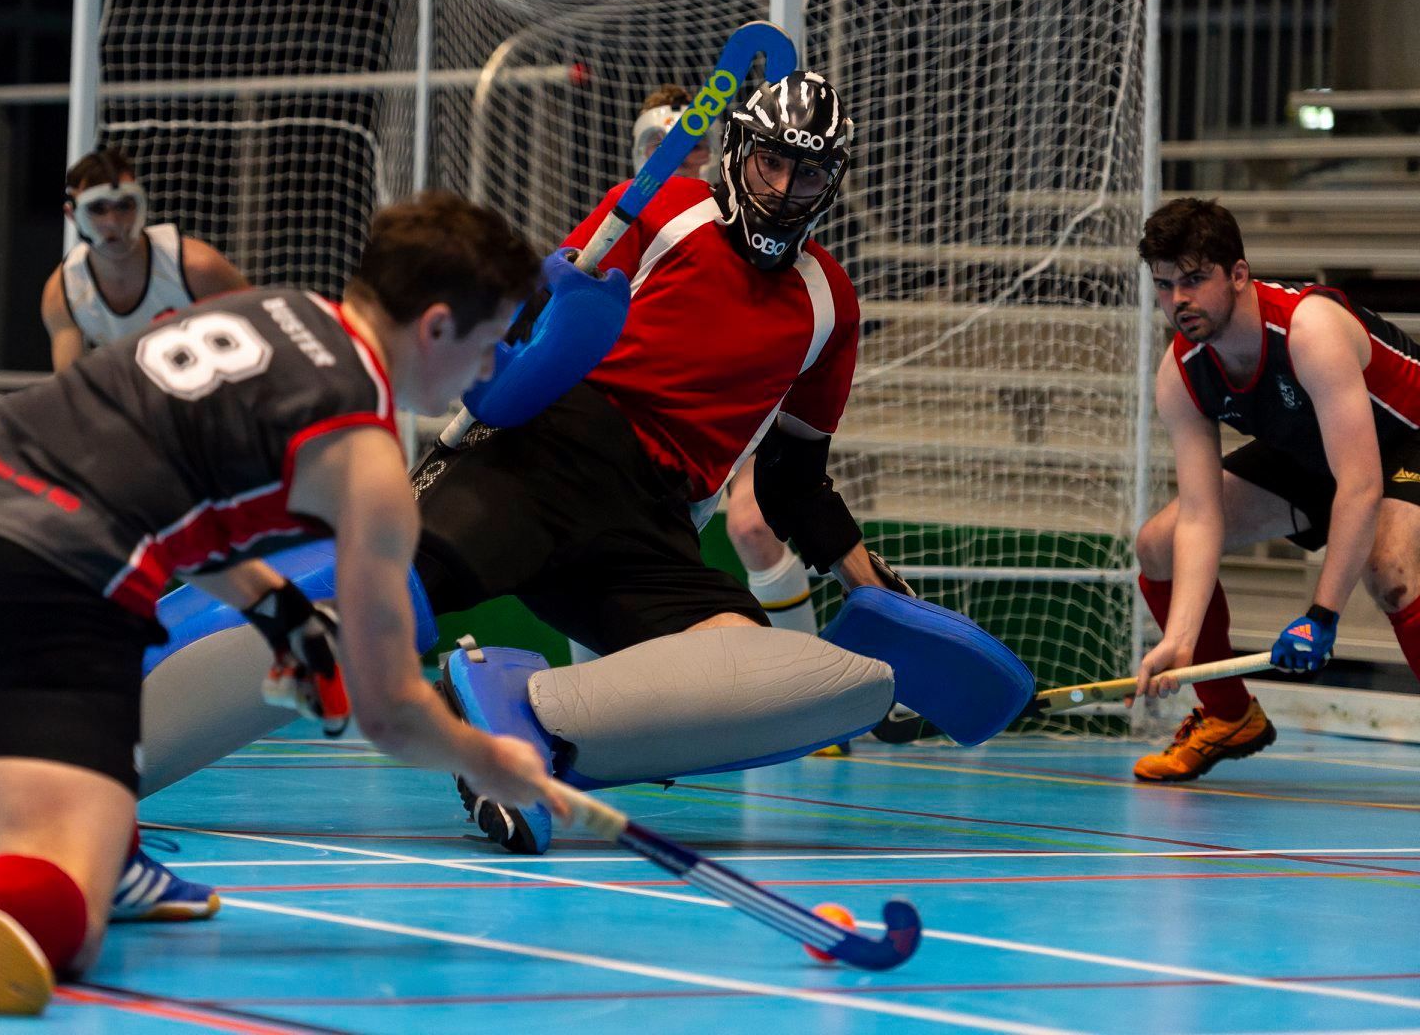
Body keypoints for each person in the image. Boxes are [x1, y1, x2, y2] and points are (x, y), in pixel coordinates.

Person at [134, 69, 952, 874]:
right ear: (736, 152)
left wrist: (870, 587)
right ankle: (85, 728)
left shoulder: (830, 305)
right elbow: (533, 320)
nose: (782, 187)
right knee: (368, 605)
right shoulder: (662, 209)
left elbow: (792, 480)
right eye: (770, 161)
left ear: (832, 180)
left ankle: (520, 717)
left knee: (799, 683)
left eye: (807, 171)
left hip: (655, 526)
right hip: (544, 453)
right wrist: (547, 313)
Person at [0, 191, 567, 1014]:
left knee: (83, 802)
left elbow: (169, 489)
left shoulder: (270, 308)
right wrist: (488, 757)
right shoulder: (368, 460)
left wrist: (279, 610)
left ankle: (115, 851)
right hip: (49, 569)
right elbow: (389, 712)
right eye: (492, 345)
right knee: (67, 911)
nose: (492, 369)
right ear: (434, 327)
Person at [1132, 197, 1420, 782]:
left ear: (1239, 275)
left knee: (1389, 570)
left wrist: (1322, 614)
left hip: (1404, 441)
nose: (1178, 300)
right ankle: (1228, 715)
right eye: (1164, 286)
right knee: (1158, 544)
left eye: (1193, 279)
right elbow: (1199, 517)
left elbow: (1361, 485)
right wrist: (1181, 640)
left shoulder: (1307, 330)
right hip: (1312, 451)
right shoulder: (1181, 372)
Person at [632, 83, 819, 638]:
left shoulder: (761, 220)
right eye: (661, 145)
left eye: (692, 145)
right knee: (593, 539)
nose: (680, 158)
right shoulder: (628, 223)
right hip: (659, 421)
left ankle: (812, 702)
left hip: (751, 406)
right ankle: (586, 721)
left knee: (754, 525)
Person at [41, 148, 249, 370]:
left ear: (141, 205)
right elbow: (71, 394)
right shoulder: (63, 294)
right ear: (72, 215)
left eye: (124, 205)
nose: (113, 222)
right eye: (98, 209)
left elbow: (263, 330)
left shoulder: (197, 268)